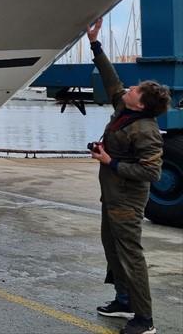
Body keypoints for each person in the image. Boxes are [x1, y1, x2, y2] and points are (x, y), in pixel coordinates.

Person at [86, 18, 170, 334]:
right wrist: (95, 44)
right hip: (111, 196)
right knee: (112, 249)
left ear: (143, 103)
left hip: (126, 201)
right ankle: (123, 301)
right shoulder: (124, 109)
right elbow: (111, 79)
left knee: (131, 256)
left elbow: (152, 171)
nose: (129, 88)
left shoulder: (146, 130)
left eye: (135, 90)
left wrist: (110, 162)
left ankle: (145, 320)